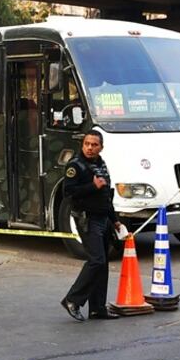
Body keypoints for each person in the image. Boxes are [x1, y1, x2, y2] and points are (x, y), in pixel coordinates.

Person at [61, 131, 122, 322]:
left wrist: (115, 219)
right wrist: (91, 187)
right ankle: (72, 300)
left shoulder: (100, 165)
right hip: (87, 219)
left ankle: (97, 308)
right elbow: (69, 193)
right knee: (96, 260)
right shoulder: (75, 166)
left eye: (94, 144)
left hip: (103, 218)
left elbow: (106, 196)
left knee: (102, 264)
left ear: (101, 147)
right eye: (87, 144)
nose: (89, 147)